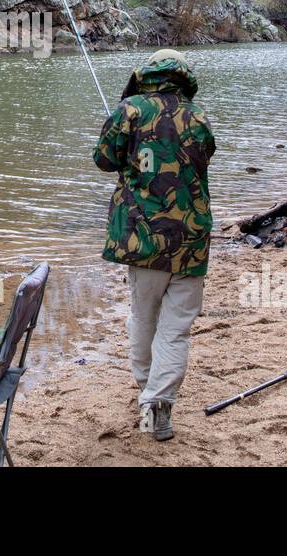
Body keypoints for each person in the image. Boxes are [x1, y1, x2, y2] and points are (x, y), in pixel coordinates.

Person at [93, 48, 216, 442]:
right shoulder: (198, 117)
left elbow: (103, 160)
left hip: (144, 239)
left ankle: (148, 392)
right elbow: (202, 156)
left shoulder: (128, 110)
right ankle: (159, 399)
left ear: (144, 75)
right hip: (191, 241)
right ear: (184, 79)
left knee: (144, 316)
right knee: (176, 328)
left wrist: (124, 129)